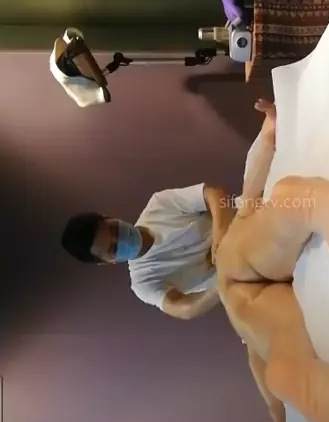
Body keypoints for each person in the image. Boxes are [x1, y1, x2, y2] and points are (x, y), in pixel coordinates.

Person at [213, 116, 329, 422]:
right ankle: (294, 208)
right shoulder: (236, 227)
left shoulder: (236, 306)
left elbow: (244, 195)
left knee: (275, 341)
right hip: (244, 267)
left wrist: (276, 413)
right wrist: (267, 137)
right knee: (268, 232)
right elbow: (249, 191)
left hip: (241, 283)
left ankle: (287, 369)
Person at [60, 99, 276, 321]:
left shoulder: (159, 206)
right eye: (114, 248)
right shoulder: (144, 282)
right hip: (249, 269)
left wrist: (221, 234)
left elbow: (214, 195)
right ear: (106, 262)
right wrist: (226, 274)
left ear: (109, 217)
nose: (121, 239)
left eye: (115, 230)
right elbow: (184, 309)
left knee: (256, 182)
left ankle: (272, 125)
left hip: (246, 215)